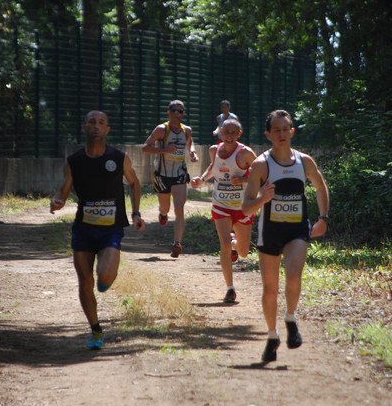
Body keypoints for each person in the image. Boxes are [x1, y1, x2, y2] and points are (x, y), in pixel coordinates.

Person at [50, 110, 145, 350]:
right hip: (83, 228)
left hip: (111, 228)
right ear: (84, 127)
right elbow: (63, 190)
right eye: (91, 121)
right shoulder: (74, 161)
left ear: (107, 129)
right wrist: (57, 200)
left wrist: (135, 213)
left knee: (104, 277)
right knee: (84, 280)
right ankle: (95, 330)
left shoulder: (119, 157)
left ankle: (105, 280)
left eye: (101, 122)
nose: (96, 126)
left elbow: (134, 183)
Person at [242, 109, 329, 364]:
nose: (281, 134)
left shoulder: (304, 162)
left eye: (285, 129)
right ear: (268, 134)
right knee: (270, 290)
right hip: (269, 232)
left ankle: (290, 317)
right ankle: (272, 336)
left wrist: (323, 218)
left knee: (293, 275)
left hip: (296, 231)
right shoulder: (261, 165)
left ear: (292, 131)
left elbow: (321, 186)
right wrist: (263, 199)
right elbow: (246, 207)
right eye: (276, 130)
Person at [192, 118, 257, 303]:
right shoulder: (214, 150)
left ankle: (236, 246)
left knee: (244, 251)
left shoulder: (245, 153)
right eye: (225, 132)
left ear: (239, 134)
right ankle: (230, 288)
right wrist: (202, 179)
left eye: (233, 132)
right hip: (220, 205)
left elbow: (262, 173)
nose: (228, 136)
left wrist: (244, 180)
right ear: (220, 132)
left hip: (243, 207)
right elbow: (213, 167)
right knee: (224, 244)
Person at [142, 99, 198, 258]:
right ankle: (163, 213)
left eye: (181, 111)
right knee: (165, 207)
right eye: (174, 110)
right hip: (162, 175)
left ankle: (177, 243)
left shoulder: (187, 130)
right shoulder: (161, 130)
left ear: (183, 114)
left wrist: (192, 152)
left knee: (179, 208)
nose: (177, 114)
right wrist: (165, 150)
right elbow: (146, 148)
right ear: (169, 112)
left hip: (180, 174)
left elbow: (190, 143)